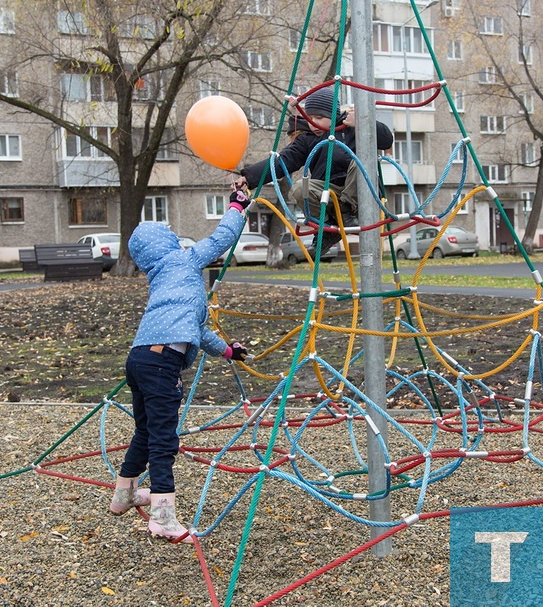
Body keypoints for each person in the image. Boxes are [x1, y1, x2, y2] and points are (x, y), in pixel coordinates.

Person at [109, 188, 251, 541]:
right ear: (169, 243)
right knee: (162, 439)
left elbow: (197, 330)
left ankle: (123, 495)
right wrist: (237, 205)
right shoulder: (183, 261)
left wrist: (228, 352)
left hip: (139, 358)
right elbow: (221, 240)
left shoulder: (160, 277)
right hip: (160, 366)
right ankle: (162, 517)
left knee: (145, 430)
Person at [235, 87, 394, 255]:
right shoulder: (308, 139)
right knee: (299, 188)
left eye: (319, 117)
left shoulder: (351, 128)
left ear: (333, 115)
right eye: (309, 118)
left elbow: (386, 140)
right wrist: (249, 177)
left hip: (359, 193)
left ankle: (348, 212)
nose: (313, 123)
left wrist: (362, 123)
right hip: (329, 194)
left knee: (361, 162)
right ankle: (326, 227)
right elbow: (283, 161)